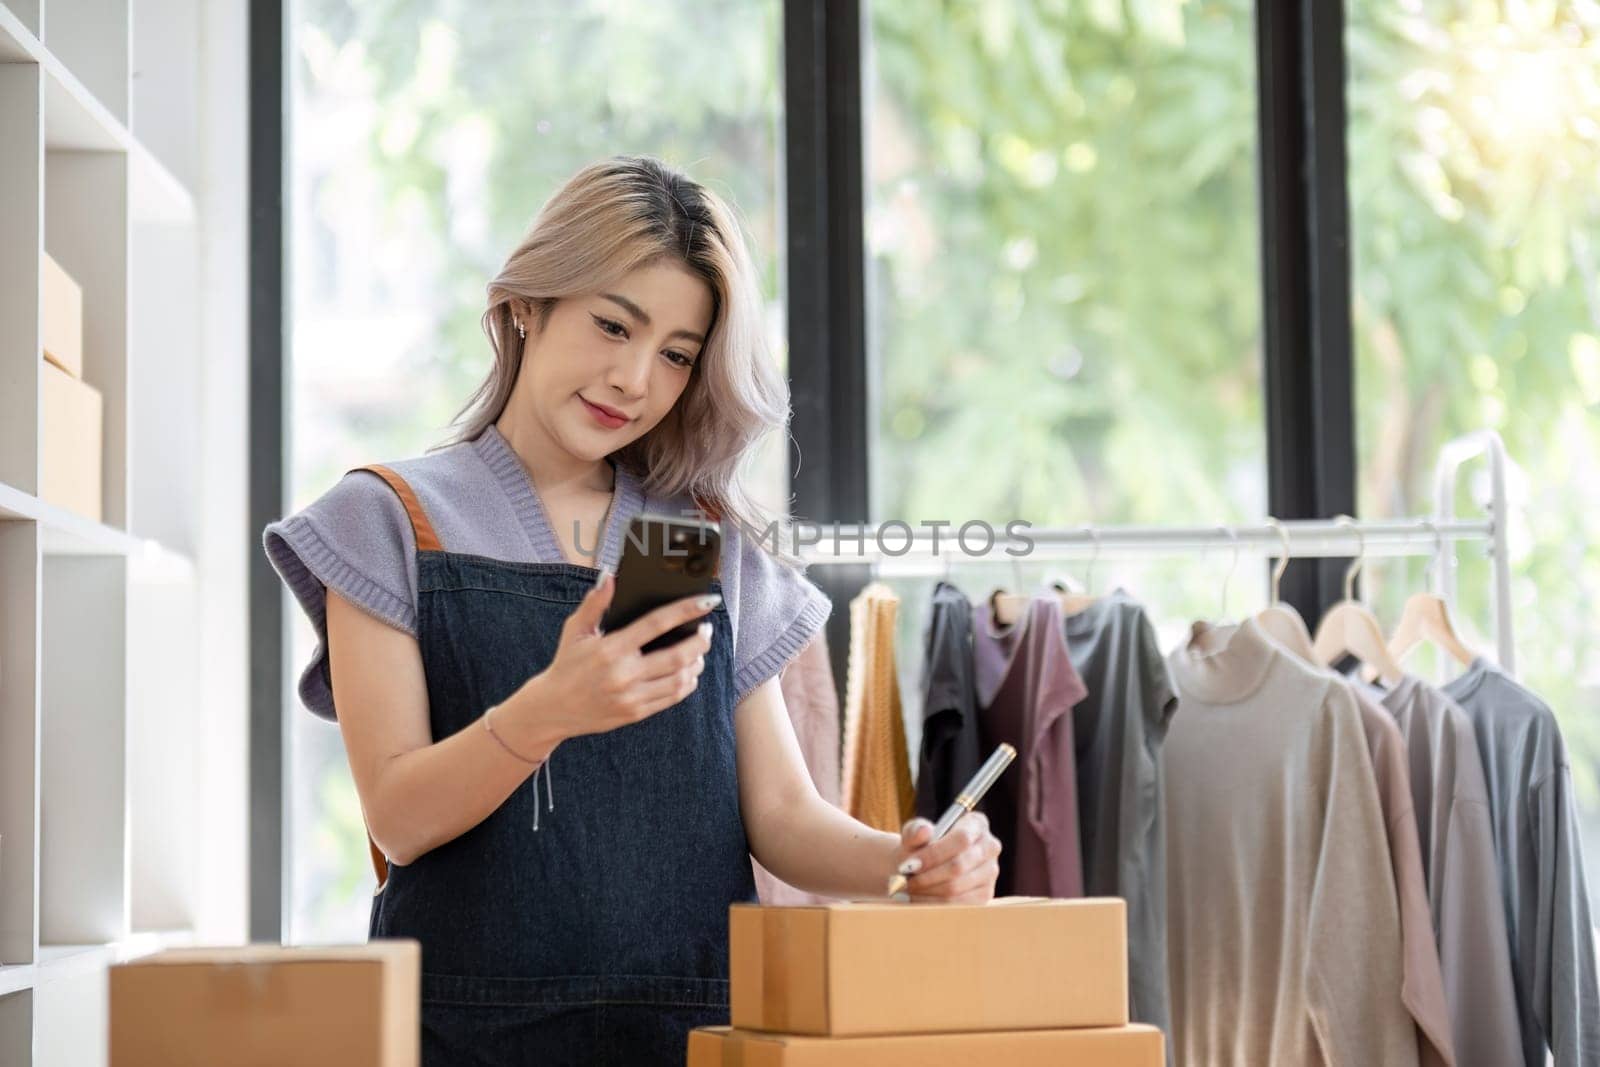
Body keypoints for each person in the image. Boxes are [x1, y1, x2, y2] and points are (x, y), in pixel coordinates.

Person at [263, 154, 1002, 1065]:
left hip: (695, 1038)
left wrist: (908, 863)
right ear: (526, 306)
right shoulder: (395, 518)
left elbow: (780, 815)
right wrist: (551, 708)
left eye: (677, 355)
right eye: (614, 325)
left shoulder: (690, 543)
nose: (634, 379)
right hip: (459, 1037)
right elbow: (399, 817)